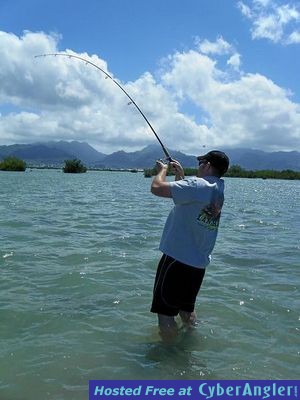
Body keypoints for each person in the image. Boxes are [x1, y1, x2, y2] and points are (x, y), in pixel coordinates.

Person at [150, 150, 229, 340]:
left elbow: (156, 188)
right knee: (186, 309)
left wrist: (163, 170)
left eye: (201, 161)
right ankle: (191, 340)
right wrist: (180, 177)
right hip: (197, 265)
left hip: (177, 260)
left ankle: (170, 359)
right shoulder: (217, 188)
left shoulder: (197, 184)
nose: (198, 165)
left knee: (165, 313)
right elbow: (190, 203)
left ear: (207, 165)